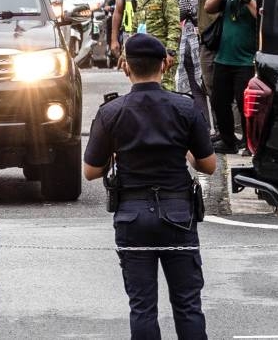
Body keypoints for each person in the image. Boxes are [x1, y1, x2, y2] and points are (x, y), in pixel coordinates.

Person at [83, 33, 216, 340]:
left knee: (142, 307)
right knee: (187, 304)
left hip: (131, 214)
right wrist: (183, 149)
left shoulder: (111, 112)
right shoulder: (184, 108)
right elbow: (208, 165)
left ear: (125, 67)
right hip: (178, 212)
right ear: (165, 65)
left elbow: (90, 171)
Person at [204, 0, 258, 155]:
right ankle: (228, 141)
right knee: (219, 101)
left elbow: (261, 16)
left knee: (245, 105)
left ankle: (248, 141)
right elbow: (208, 7)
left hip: (245, 61)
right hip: (223, 58)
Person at [182, 0, 235, 129]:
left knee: (233, 91)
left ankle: (235, 131)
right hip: (209, 44)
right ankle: (221, 130)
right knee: (212, 88)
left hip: (231, 44)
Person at [130, 0, 181, 91]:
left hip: (162, 54)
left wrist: (170, 52)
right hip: (143, 54)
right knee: (144, 92)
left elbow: (174, 25)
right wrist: (127, 53)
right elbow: (135, 27)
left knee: (165, 91)